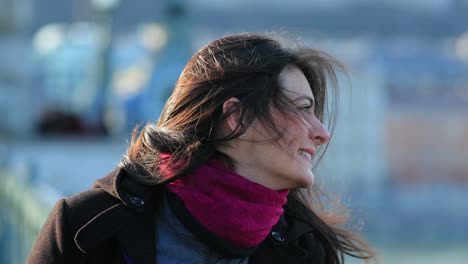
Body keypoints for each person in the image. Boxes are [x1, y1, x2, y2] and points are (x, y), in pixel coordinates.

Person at [28, 33, 375, 264]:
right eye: (301, 108)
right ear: (235, 117)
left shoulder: (308, 251)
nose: (321, 133)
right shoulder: (86, 227)